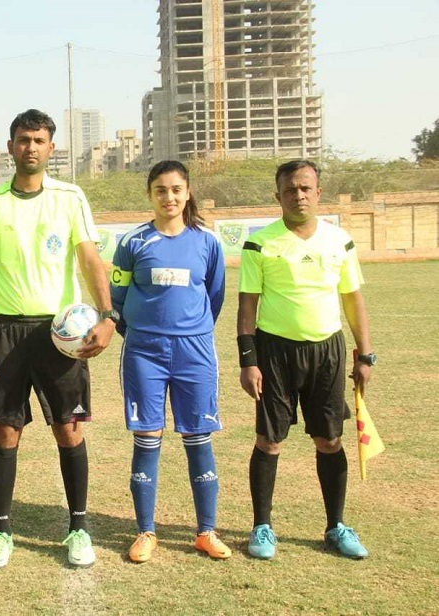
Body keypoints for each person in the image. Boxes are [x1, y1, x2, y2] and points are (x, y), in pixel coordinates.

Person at [0, 109, 117, 570]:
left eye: (39, 139)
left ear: (51, 148)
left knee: (68, 428)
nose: (30, 147)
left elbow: (90, 260)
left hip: (61, 333)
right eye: (22, 139)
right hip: (6, 331)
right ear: (10, 148)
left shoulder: (70, 198)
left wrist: (108, 315)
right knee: (6, 430)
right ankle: (2, 531)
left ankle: (78, 528)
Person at [238, 159, 374, 560]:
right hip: (274, 352)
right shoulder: (260, 243)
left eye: (305, 188)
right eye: (290, 190)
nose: (298, 195)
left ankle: (336, 526)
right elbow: (247, 307)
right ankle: (263, 527)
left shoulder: (340, 241)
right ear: (277, 195)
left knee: (330, 439)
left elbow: (353, 299)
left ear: (318, 192)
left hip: (327, 351)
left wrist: (365, 353)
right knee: (269, 440)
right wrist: (248, 361)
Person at [109, 160, 230, 563]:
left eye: (176, 189)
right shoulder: (133, 242)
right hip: (144, 351)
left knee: (198, 437)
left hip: (195, 351)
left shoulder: (207, 242)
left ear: (188, 192)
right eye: (161, 190)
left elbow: (214, 296)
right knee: (147, 437)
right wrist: (144, 332)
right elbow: (118, 298)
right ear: (150, 194)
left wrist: (188, 330)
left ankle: (206, 532)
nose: (169, 197)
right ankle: (146, 531)